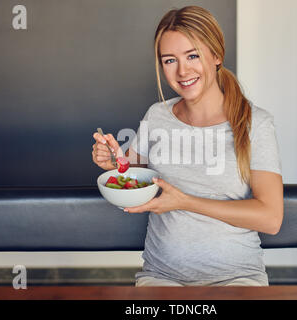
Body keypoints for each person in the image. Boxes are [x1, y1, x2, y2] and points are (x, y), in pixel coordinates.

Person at [92, 6, 283, 287]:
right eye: (169, 60)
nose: (182, 71)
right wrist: (114, 162)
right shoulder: (157, 116)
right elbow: (132, 176)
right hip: (162, 278)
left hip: (238, 279)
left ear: (216, 55)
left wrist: (186, 202)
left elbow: (271, 218)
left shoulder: (256, 123)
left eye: (192, 55)